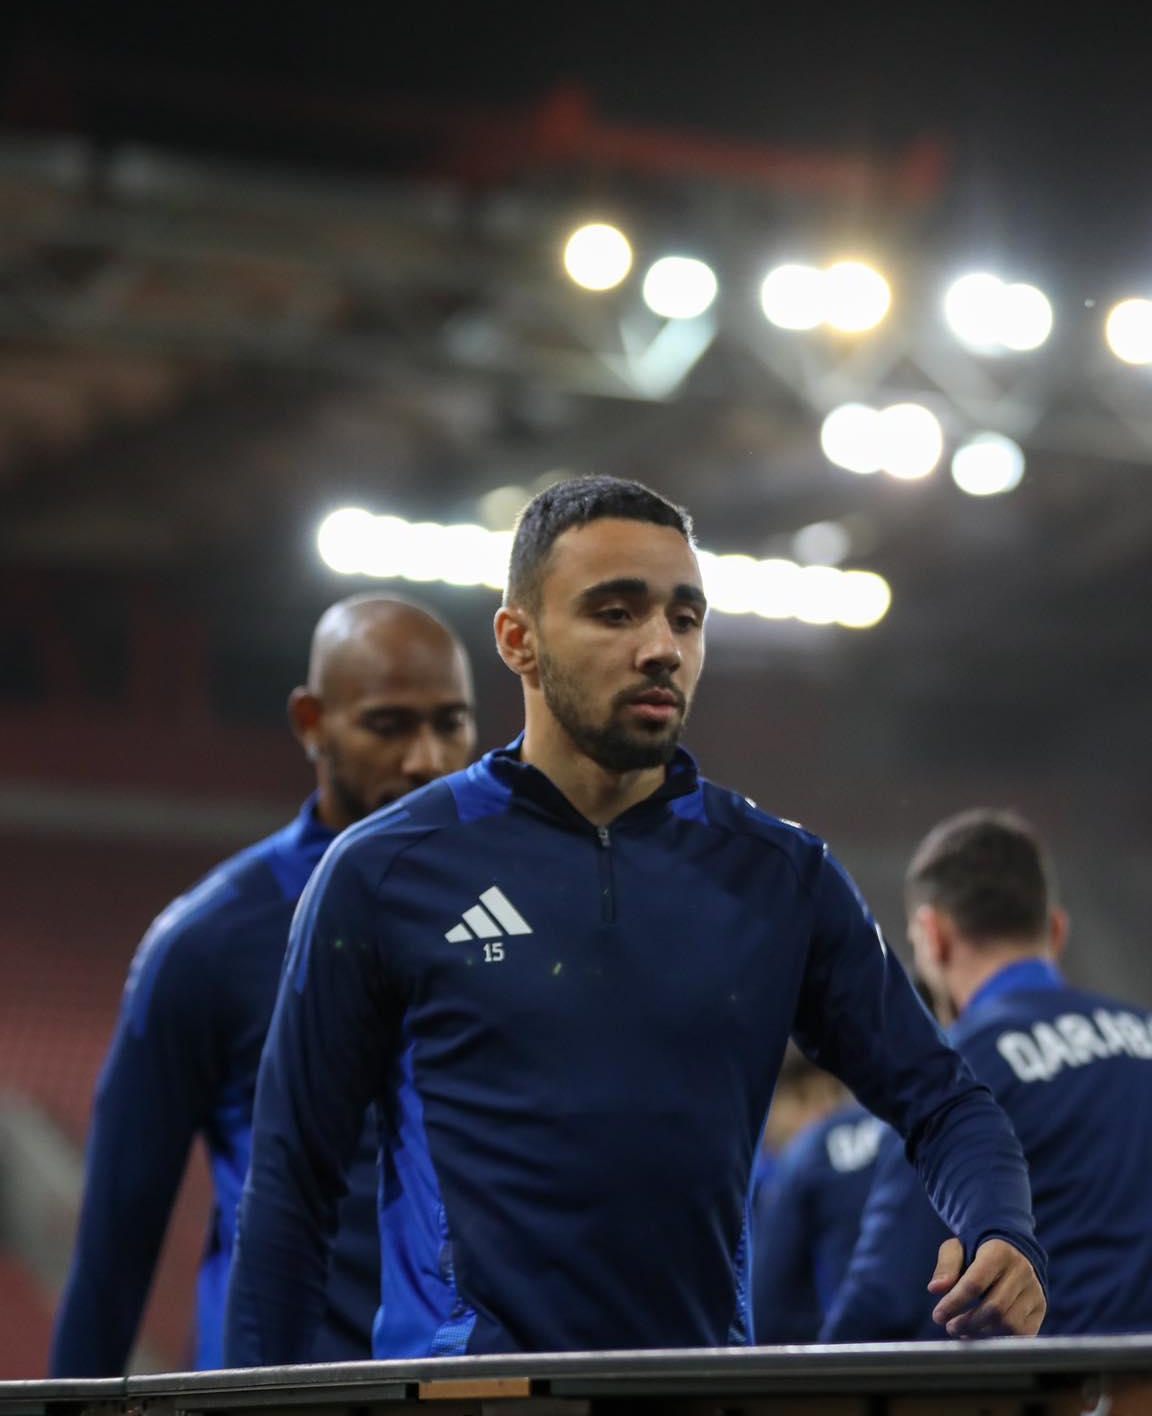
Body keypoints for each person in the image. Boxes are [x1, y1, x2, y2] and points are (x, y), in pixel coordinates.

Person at [225, 476, 1046, 1365]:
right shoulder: (385, 871)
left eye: (685, 619)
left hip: (691, 1395)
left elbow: (946, 1102)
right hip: (471, 1399)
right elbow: (291, 1189)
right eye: (615, 613)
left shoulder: (780, 875)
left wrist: (1000, 1227)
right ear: (518, 639)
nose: (661, 648)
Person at [50, 596, 476, 1376]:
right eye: (388, 725)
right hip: (277, 1387)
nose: (427, 759)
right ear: (312, 721)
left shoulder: (508, 916)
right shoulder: (208, 940)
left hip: (463, 1383)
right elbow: (118, 1233)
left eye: (451, 723)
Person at [822, 809, 1152, 1341]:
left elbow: (885, 1295)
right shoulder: (1144, 1030)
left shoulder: (953, 1070)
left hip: (1065, 1379)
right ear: (1057, 930)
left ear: (932, 936)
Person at [752, 1067, 883, 1344]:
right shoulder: (756, 1180)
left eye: (833, 1093)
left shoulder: (807, 1155)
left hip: (841, 1351)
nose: (822, 1110)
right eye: (802, 1098)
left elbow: (769, 1310)